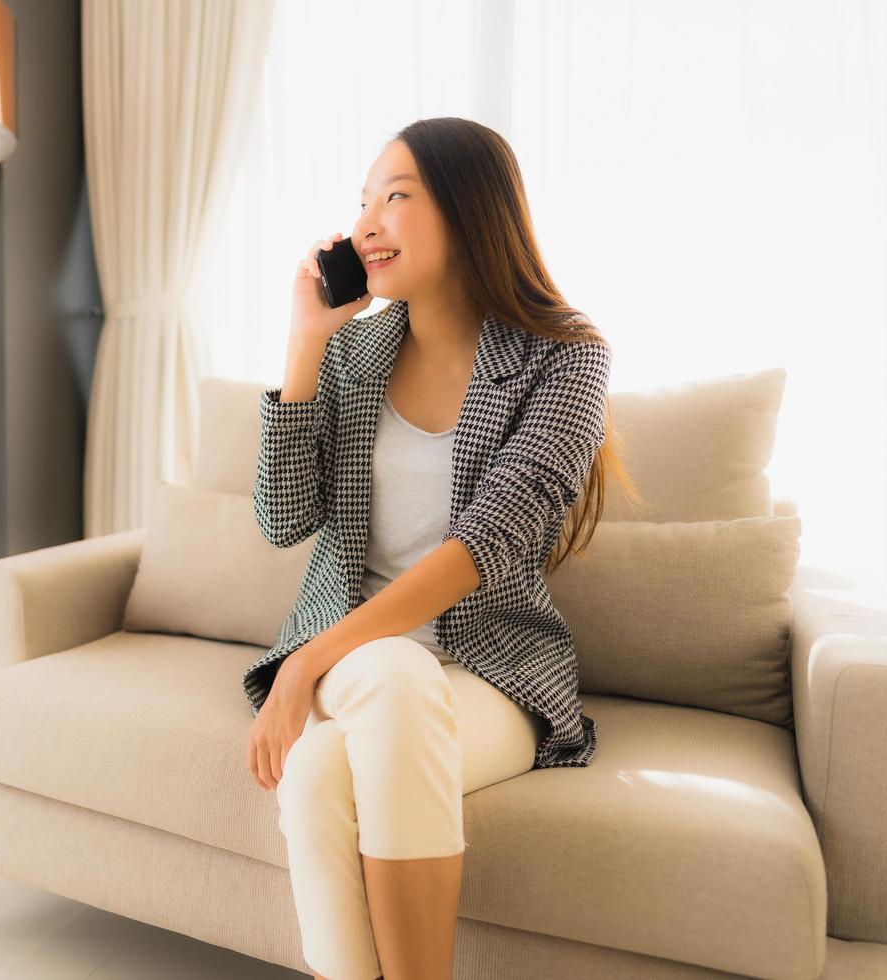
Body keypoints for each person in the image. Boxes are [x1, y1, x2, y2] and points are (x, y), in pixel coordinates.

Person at [243, 117, 638, 980]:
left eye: (396, 196)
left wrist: (304, 666)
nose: (365, 225)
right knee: (389, 674)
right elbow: (281, 519)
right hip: (359, 663)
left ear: (469, 210)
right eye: (360, 203)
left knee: (316, 783)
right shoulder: (354, 353)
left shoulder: (566, 359)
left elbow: (485, 545)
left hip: (489, 672)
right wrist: (307, 341)